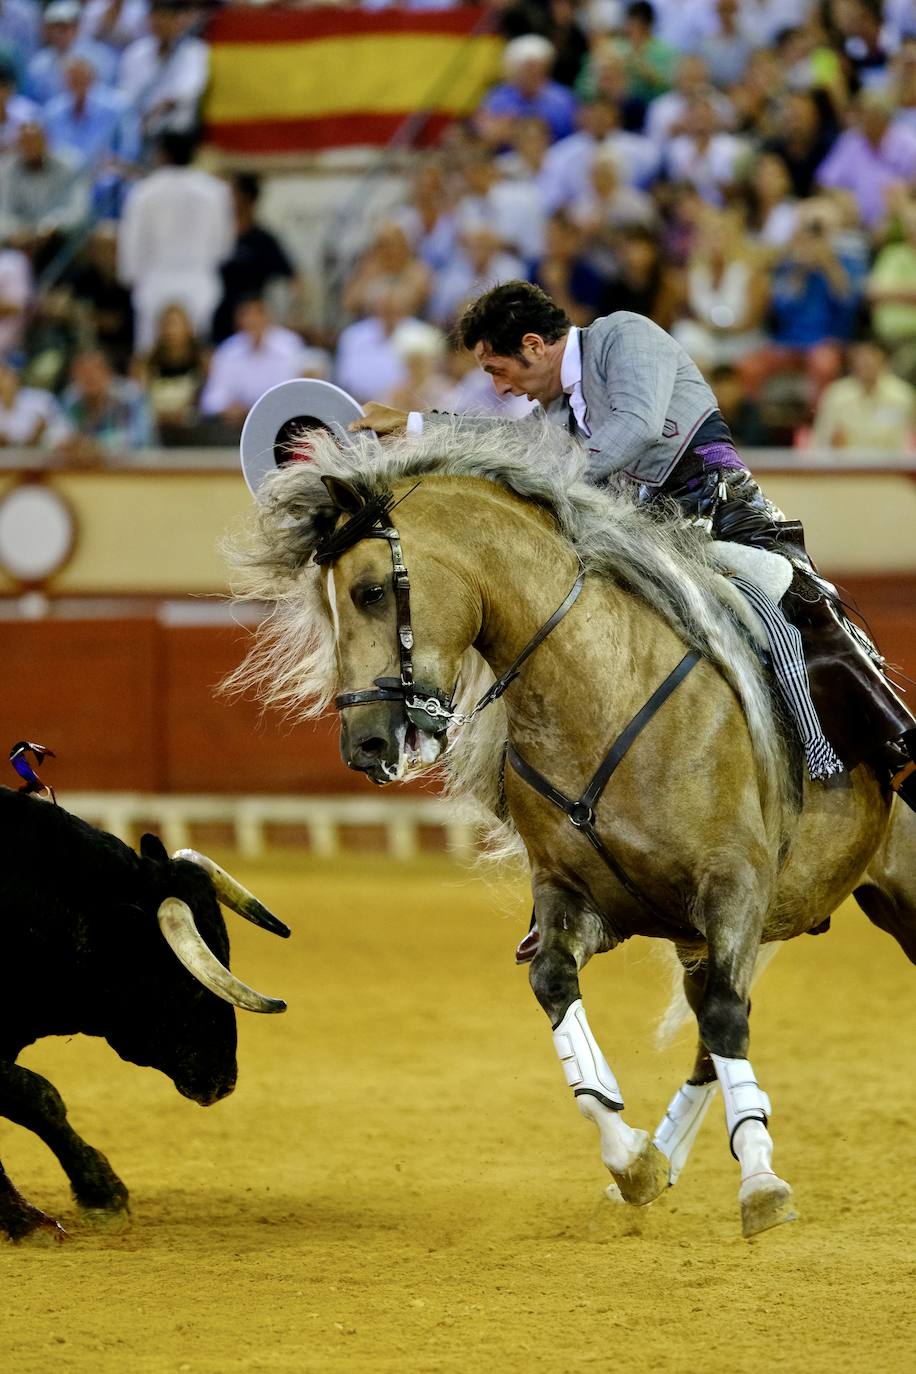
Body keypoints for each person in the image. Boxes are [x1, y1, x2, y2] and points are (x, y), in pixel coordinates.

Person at [353, 279, 916, 821]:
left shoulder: (623, 334)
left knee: (791, 600)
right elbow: (511, 441)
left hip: (723, 514)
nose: (501, 389)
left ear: (534, 346)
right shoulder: (558, 409)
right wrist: (413, 424)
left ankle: (897, 751)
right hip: (644, 536)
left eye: (499, 370)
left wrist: (556, 486)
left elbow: (638, 424)